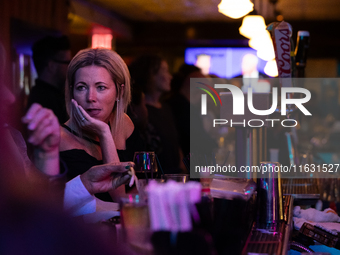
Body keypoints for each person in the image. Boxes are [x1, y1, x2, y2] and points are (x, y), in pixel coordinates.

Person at [60, 48, 135, 202]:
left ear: (119, 93)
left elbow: (142, 187)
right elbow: (119, 199)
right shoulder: (58, 138)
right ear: (71, 91)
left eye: (101, 87)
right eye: (81, 87)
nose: (90, 98)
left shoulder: (124, 124)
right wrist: (104, 133)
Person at [129, 54, 183, 174]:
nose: (170, 76)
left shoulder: (166, 107)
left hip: (175, 178)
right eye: (165, 71)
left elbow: (175, 144)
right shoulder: (139, 113)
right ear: (149, 75)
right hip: (154, 180)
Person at [27, 35, 72, 124]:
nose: (70, 68)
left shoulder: (56, 96)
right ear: (52, 66)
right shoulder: (42, 102)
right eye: (68, 63)